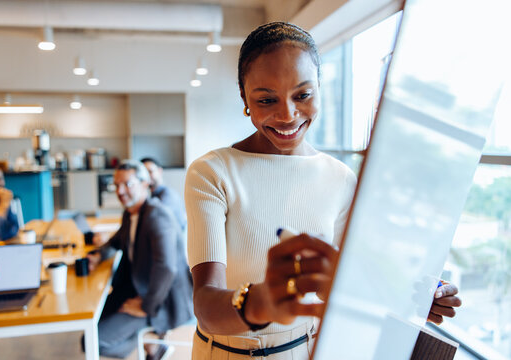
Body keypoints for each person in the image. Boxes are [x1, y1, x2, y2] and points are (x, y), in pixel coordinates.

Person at [184, 22, 462, 359]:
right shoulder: (212, 173)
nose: (287, 115)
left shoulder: (340, 178)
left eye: (302, 95)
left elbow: (352, 279)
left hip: (308, 349)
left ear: (320, 88)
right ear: (245, 98)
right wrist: (261, 301)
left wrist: (411, 295)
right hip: (226, 352)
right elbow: (207, 306)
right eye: (266, 99)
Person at [86, 160, 193, 359]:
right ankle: (152, 345)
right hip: (137, 287)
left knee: (94, 342)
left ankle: (151, 343)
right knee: (89, 326)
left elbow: (166, 268)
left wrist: (146, 307)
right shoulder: (131, 213)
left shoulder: (157, 216)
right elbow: (116, 241)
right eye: (116, 185)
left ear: (145, 184)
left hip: (160, 299)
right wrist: (98, 255)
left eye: (127, 184)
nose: (120, 191)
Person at [141, 157, 187, 231]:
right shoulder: (153, 195)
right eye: (144, 173)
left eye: (150, 171)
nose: (147, 176)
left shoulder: (168, 195)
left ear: (159, 171)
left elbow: (156, 221)